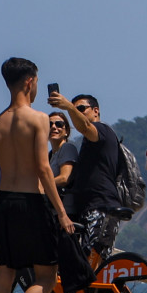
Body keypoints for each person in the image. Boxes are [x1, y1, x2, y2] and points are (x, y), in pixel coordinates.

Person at [0, 57, 75, 293]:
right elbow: (44, 168)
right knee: (46, 276)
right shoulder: (38, 120)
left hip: (3, 203)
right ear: (30, 82)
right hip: (32, 202)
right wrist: (61, 212)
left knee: (5, 276)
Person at [48, 92, 127, 262]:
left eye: (82, 109)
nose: (77, 112)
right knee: (87, 267)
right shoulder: (86, 142)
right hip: (88, 208)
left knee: (91, 266)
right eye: (75, 109)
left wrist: (68, 106)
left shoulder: (102, 130)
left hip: (101, 207)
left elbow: (84, 127)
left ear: (96, 111)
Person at [47, 112, 76, 187]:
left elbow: (64, 178)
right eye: (49, 124)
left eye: (59, 124)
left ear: (66, 131)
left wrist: (42, 185)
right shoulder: (49, 156)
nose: (53, 127)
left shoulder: (67, 148)